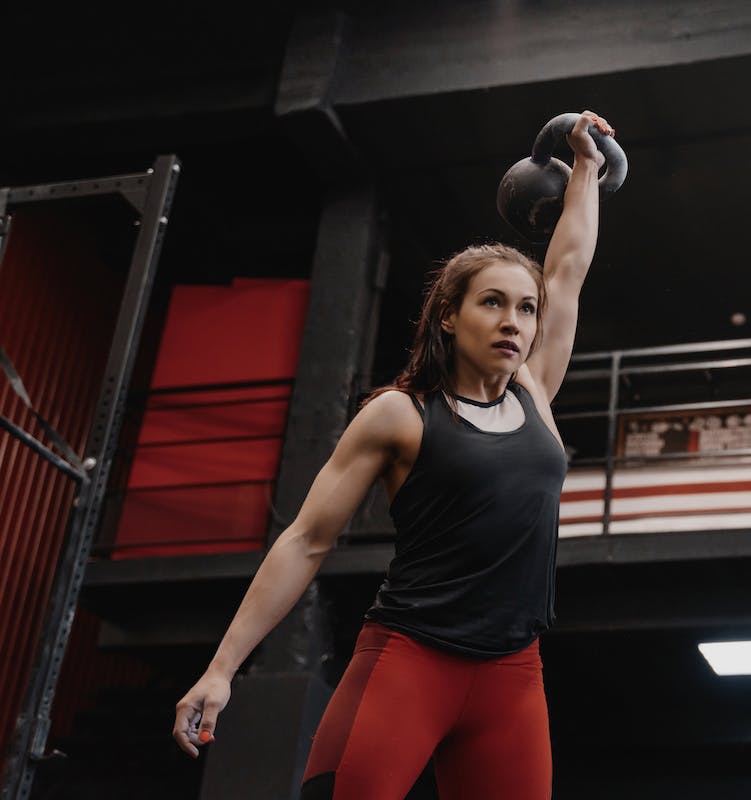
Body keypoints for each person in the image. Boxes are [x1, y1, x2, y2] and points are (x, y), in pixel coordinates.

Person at [173, 110, 616, 799]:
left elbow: (568, 267)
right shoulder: (399, 414)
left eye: (526, 309)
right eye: (492, 303)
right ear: (450, 315)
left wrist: (586, 168)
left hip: (513, 674)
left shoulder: (534, 390)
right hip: (410, 660)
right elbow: (306, 540)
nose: (514, 321)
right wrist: (223, 668)